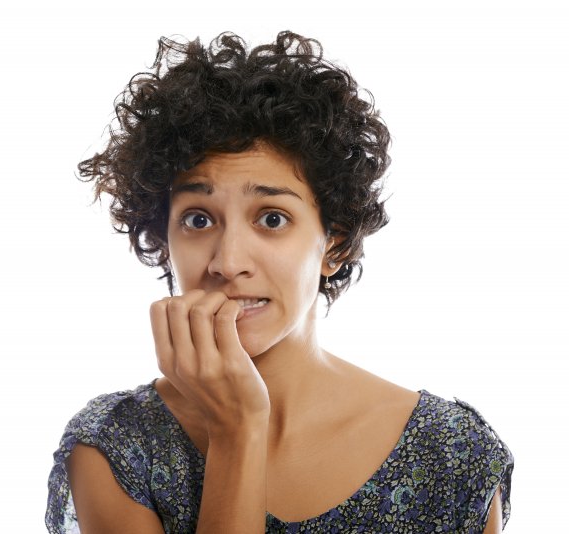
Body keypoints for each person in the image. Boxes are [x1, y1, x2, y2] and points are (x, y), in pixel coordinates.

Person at [45, 31, 513, 533]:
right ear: (163, 238)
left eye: (271, 219)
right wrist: (237, 430)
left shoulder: (451, 453)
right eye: (199, 219)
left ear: (334, 243)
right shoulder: (117, 446)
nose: (227, 262)